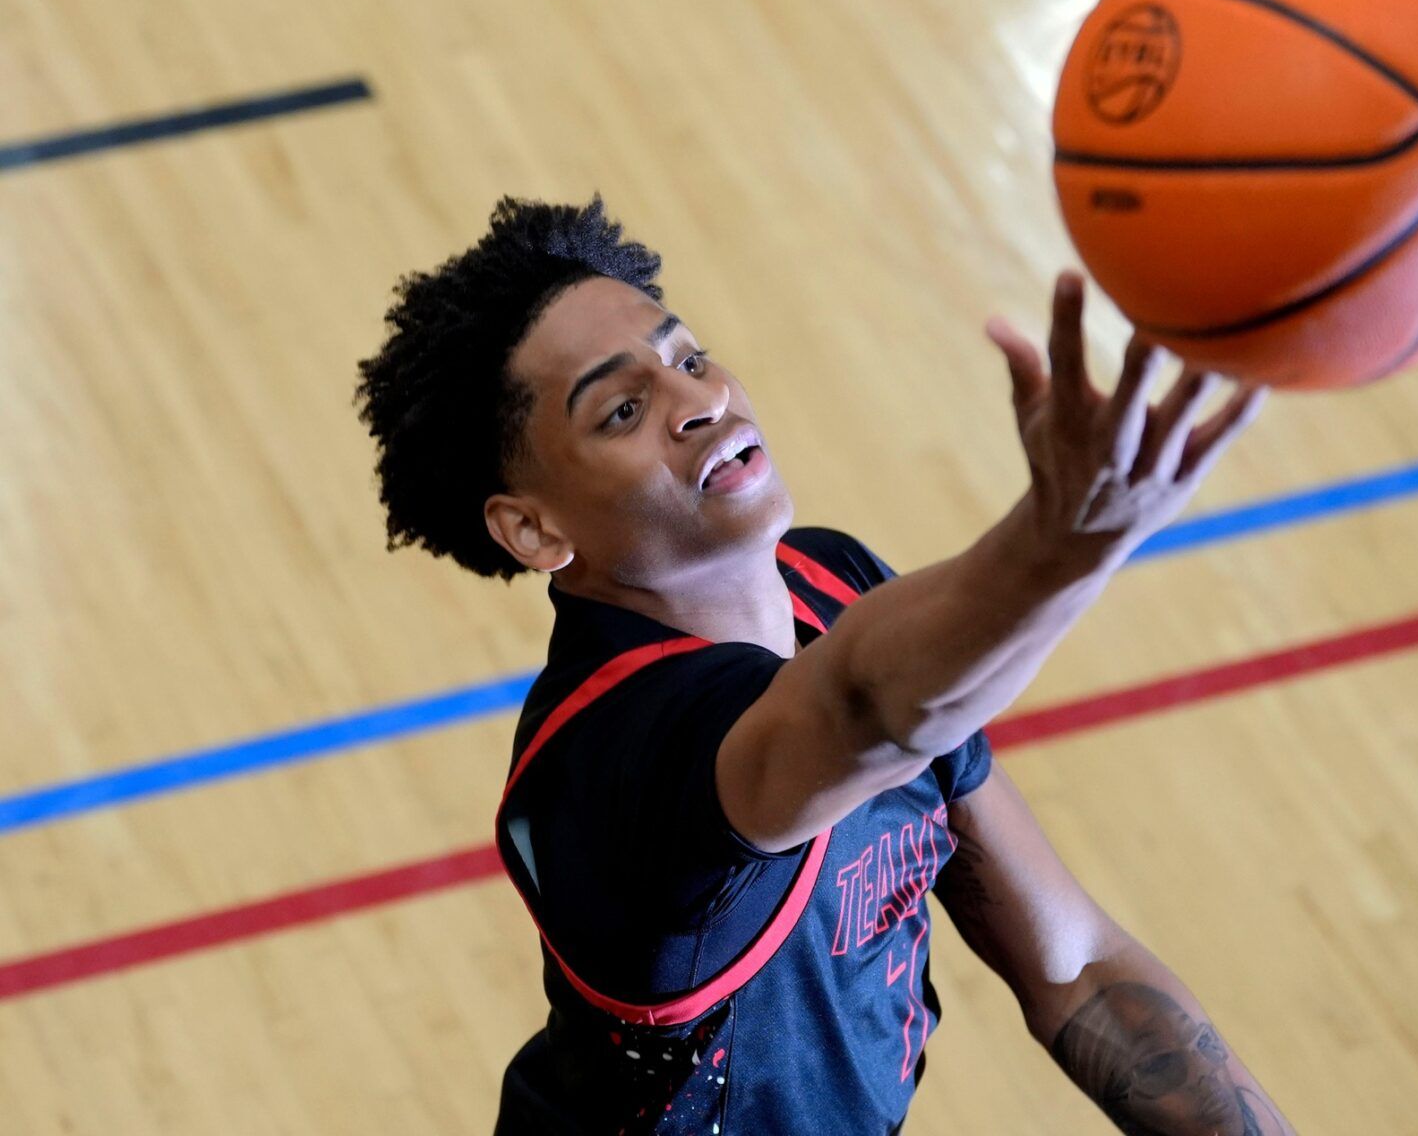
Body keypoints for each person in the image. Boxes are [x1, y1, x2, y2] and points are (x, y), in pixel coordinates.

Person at [355, 196, 1294, 1135]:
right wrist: (1065, 539)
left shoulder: (828, 580)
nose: (698, 401)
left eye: (688, 357)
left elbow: (1074, 969)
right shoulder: (619, 757)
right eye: (624, 410)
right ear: (533, 527)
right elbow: (867, 715)